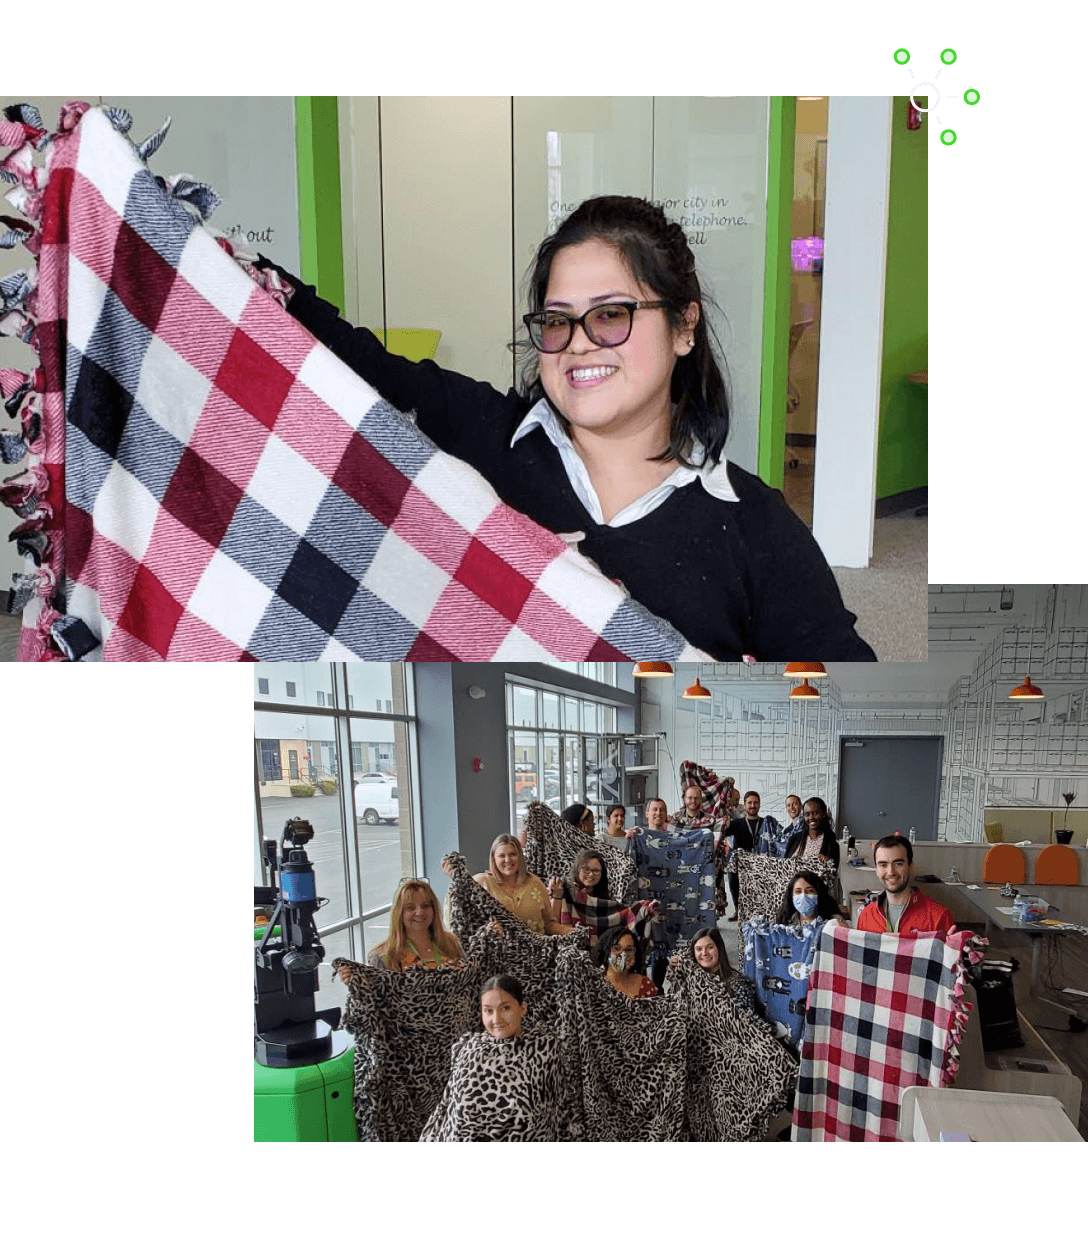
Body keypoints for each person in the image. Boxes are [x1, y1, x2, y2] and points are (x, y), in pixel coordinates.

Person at [254, 197, 877, 662]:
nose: (579, 345)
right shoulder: (480, 441)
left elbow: (842, 680)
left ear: (685, 326)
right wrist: (210, 261)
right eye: (557, 321)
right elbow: (349, 358)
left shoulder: (756, 529)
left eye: (610, 315)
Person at [420, 974, 577, 1141]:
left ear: (522, 1008)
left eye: (505, 1008)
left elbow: (560, 1110)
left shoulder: (545, 1049)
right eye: (488, 1011)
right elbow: (447, 1110)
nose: (496, 1019)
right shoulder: (469, 1049)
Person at [468, 834, 574, 935]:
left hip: (536, 949)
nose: (508, 860)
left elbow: (550, 925)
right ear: (493, 859)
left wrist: (571, 932)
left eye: (512, 854)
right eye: (501, 856)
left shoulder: (535, 883)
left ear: (520, 856)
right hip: (496, 950)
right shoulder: (481, 883)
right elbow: (466, 922)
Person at [856, 834, 955, 936]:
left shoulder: (938, 917)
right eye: (883, 865)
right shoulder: (866, 916)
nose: (890, 872)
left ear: (910, 867)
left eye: (898, 864)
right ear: (876, 870)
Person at [595, 923, 659, 999]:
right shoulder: (594, 984)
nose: (623, 954)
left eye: (629, 950)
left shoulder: (646, 986)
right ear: (606, 951)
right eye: (617, 948)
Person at [776, 871, 846, 927]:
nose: (803, 896)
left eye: (810, 891)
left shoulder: (833, 923)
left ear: (819, 894)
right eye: (798, 891)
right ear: (791, 896)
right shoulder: (785, 922)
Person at [783, 797, 840, 866]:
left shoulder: (832, 844)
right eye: (807, 814)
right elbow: (784, 864)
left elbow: (833, 871)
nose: (811, 817)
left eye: (815, 813)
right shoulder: (794, 839)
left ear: (823, 814)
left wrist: (827, 862)